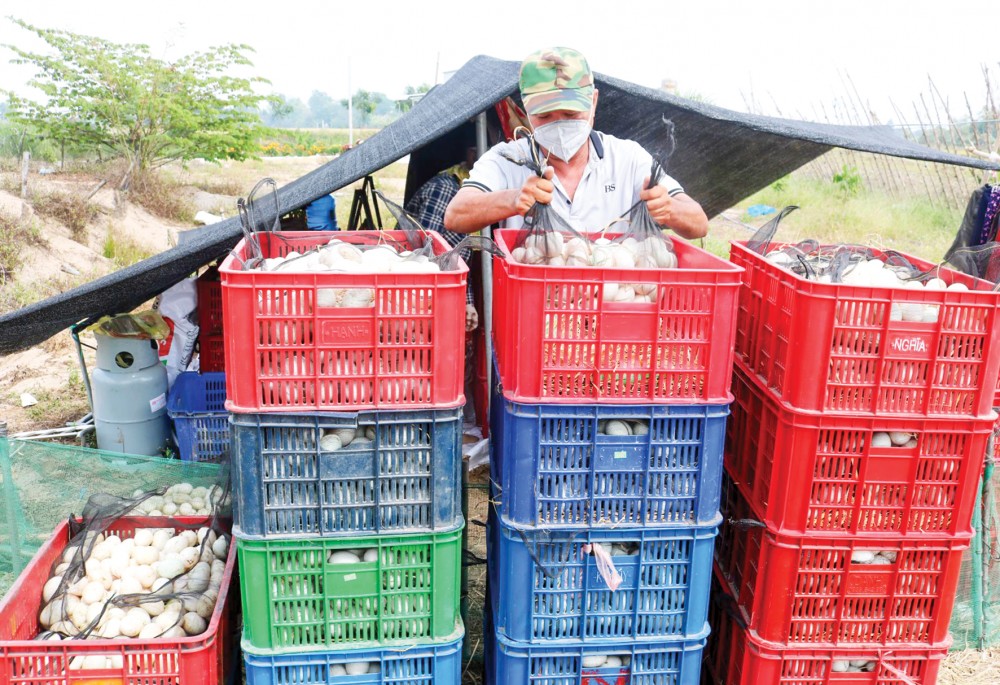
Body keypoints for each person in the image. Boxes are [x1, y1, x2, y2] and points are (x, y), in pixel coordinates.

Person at [444, 47, 708, 239]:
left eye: (571, 114)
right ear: (526, 110)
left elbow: (698, 223)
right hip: (533, 306)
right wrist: (513, 199)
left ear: (593, 102)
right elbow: (455, 215)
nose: (559, 125)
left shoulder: (628, 158)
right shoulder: (505, 159)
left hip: (610, 303)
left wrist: (669, 208)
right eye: (545, 116)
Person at [405, 158, 479, 332]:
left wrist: (467, 302)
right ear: (472, 153)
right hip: (416, 293)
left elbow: (454, 256)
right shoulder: (446, 189)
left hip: (434, 292)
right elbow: (424, 250)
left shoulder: (467, 197)